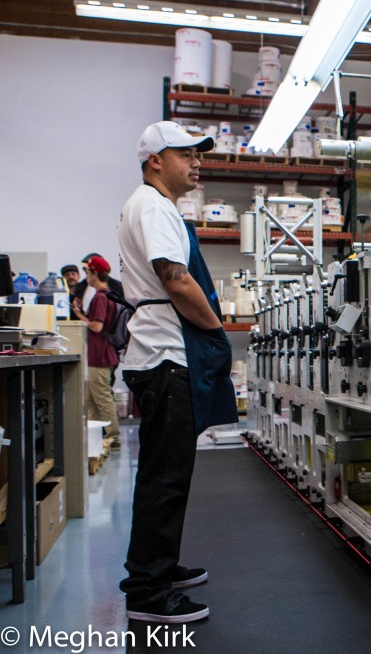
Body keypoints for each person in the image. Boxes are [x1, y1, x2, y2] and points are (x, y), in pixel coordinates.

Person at [117, 121, 237, 624]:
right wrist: (216, 330)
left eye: (198, 155)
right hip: (167, 355)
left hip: (161, 355)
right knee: (166, 479)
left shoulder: (155, 206)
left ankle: (154, 567)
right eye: (186, 154)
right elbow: (178, 281)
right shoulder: (153, 206)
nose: (196, 163)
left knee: (164, 474)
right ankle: (149, 593)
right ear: (155, 161)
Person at [70, 256, 120, 445]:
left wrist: (79, 316)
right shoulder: (107, 295)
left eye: (87, 272)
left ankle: (113, 436)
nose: (86, 277)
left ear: (94, 274)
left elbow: (97, 326)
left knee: (102, 398)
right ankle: (95, 437)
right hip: (97, 355)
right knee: (91, 399)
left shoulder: (100, 297)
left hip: (99, 355)